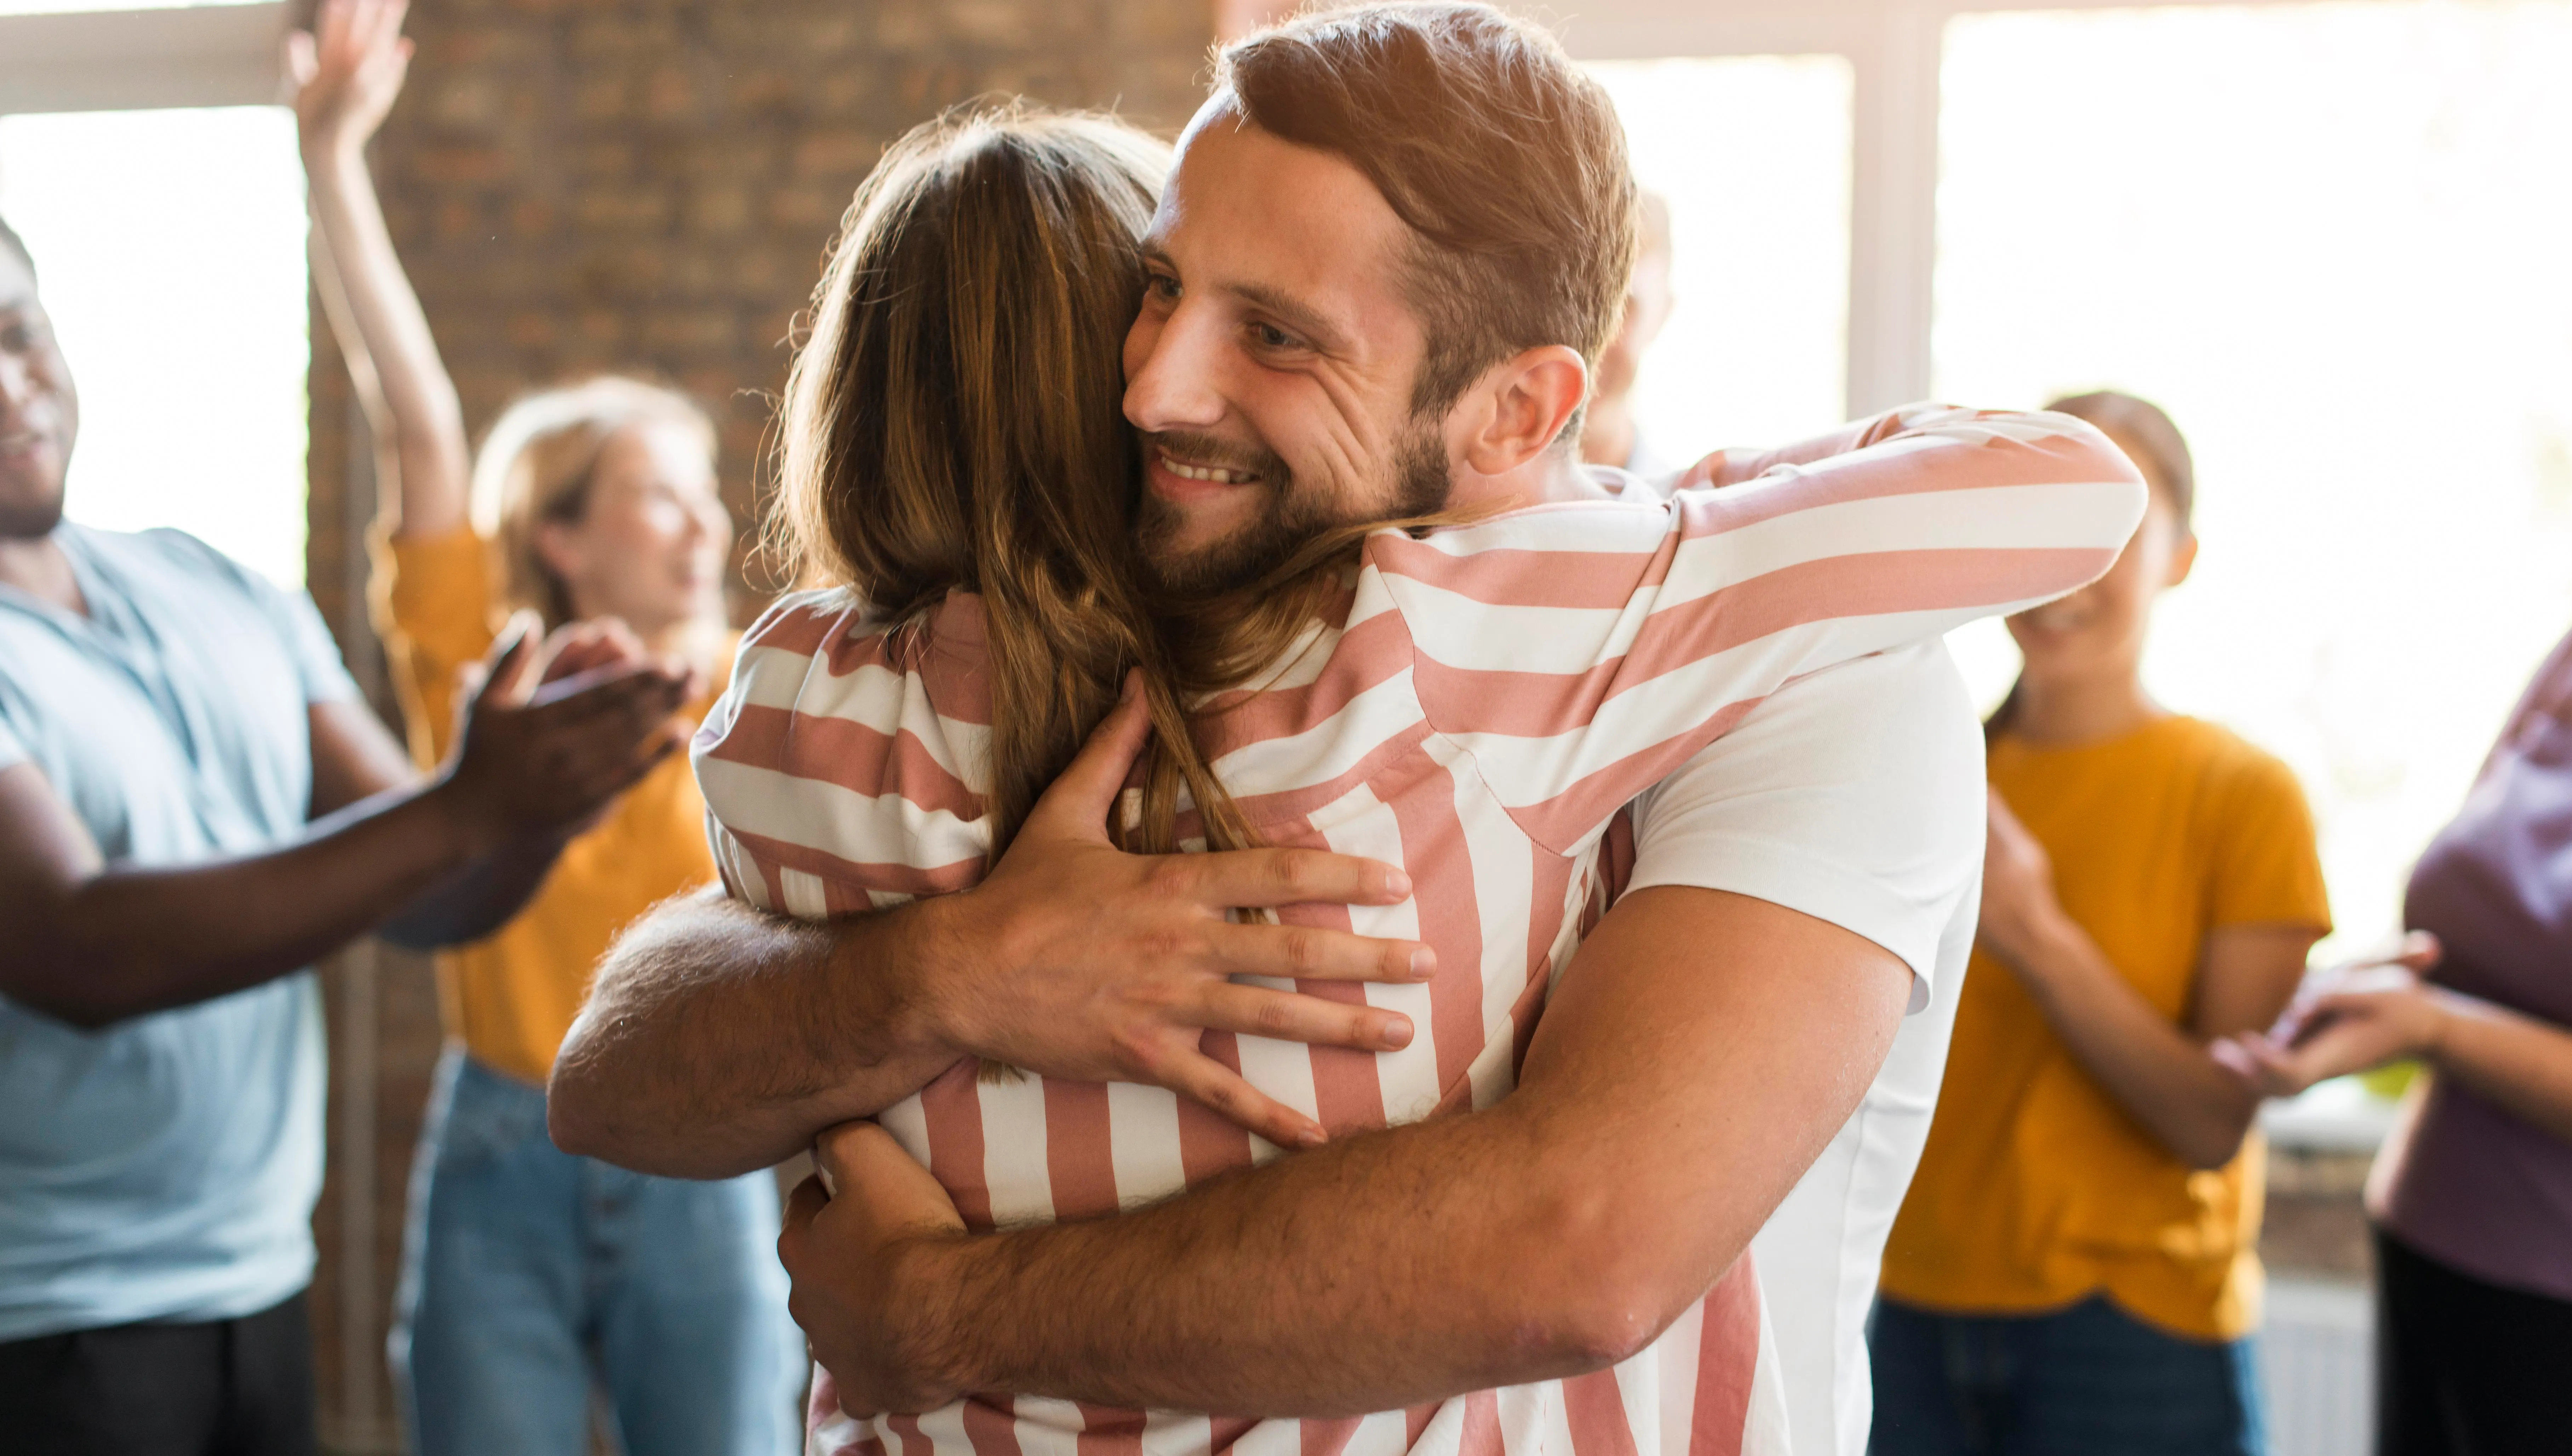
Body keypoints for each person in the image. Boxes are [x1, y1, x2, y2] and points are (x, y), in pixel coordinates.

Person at [555, 9, 2139, 1453]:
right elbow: (618, 1065)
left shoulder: (1783, 659)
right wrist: (948, 971)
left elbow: (1581, 1241)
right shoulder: (1198, 638)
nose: (1150, 388)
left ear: (1520, 405)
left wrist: (934, 1315)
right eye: (1155, 288)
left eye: (1278, 334)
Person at [0, 202, 691, 1452]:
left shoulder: (218, 587)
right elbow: (77, 947)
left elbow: (433, 884)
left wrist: (540, 798)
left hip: (259, 1281)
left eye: (19, 332)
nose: (10, 385)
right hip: (44, 1321)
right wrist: (477, 801)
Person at [288, 3, 804, 1452]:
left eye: (706, 488)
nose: (703, 517)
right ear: (564, 539)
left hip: (700, 1135)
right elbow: (418, 422)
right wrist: (330, 157)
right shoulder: (487, 673)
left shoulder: (766, 680)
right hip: (503, 1138)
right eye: (654, 489)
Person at [1868, 391, 2329, 1456]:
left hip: (2132, 1339)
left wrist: (2035, 933)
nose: (2070, 566)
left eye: (2114, 529)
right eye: (2040, 521)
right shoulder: (1924, 771)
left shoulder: (2243, 798)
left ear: (2179, 555)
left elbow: (2208, 1123)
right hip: (1911, 1311)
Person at [2216, 627, 2572, 1453]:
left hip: (2565, 1306)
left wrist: (2433, 1026)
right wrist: (2374, 986)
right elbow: (2472, 903)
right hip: (2431, 1242)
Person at [1580, 188, 1673, 473]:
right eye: (1578, 303)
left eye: (1621, 308)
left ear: (1661, 316)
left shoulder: (1685, 515)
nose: (1587, 341)